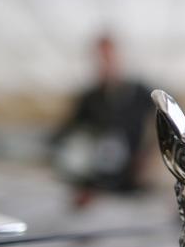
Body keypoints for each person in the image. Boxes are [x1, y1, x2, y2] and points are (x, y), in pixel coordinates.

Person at [50, 36, 152, 195]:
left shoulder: (141, 93)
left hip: (133, 182)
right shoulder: (90, 98)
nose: (104, 63)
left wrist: (147, 157)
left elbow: (165, 120)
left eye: (108, 57)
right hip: (98, 182)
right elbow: (65, 132)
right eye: (100, 58)